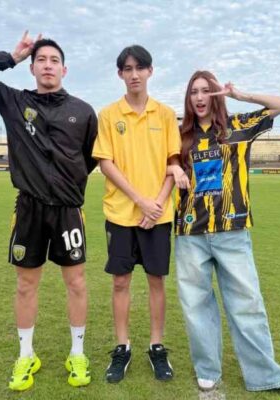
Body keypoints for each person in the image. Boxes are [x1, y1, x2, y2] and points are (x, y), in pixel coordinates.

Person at [0, 32, 97, 390]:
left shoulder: (83, 111)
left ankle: (77, 353)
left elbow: (89, 158)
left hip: (68, 210)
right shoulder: (13, 102)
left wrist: (66, 185)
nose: (48, 65)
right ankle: (26, 355)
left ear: (64, 69)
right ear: (32, 68)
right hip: (29, 210)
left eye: (54, 60)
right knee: (25, 284)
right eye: (41, 60)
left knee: (77, 282)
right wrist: (12, 56)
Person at [168, 70, 280, 398]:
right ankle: (207, 369)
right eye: (194, 92)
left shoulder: (239, 126)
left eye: (206, 91)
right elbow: (160, 162)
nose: (199, 97)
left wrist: (241, 95)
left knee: (247, 303)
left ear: (215, 95)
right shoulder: (178, 135)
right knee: (196, 305)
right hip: (190, 232)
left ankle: (266, 375)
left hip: (233, 231)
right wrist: (172, 166)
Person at [92, 45, 179, 383]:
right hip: (120, 213)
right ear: (120, 74)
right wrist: (140, 201)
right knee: (120, 282)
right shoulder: (108, 115)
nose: (134, 74)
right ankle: (122, 347)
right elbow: (105, 163)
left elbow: (173, 163)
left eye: (140, 68)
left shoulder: (166, 114)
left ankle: (157, 346)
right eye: (127, 69)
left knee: (156, 280)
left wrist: (156, 204)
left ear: (150, 71)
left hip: (158, 214)